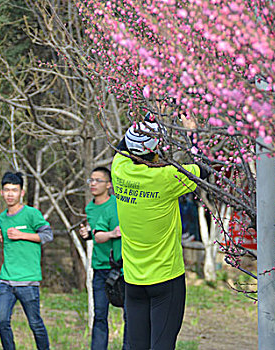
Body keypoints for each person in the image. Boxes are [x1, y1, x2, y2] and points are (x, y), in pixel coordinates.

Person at [111, 117, 208, 350]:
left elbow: (122, 145)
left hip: (133, 281)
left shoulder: (118, 170)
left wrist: (147, 119)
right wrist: (192, 134)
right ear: (156, 151)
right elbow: (203, 168)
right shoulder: (167, 178)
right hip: (166, 280)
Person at [0, 171, 53, 350]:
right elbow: (10, 241)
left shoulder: (32, 213)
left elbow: (48, 235)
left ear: (22, 193)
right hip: (7, 280)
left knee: (35, 324)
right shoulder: (2, 217)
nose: (10, 194)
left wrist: (22, 235)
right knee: (2, 321)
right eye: (7, 190)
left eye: (14, 190)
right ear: (2, 193)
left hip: (28, 281)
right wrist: (0, 236)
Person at [79, 166, 127, 349]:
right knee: (99, 315)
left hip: (120, 268)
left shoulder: (118, 204)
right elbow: (96, 231)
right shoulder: (90, 207)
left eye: (97, 180)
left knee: (128, 314)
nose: (92, 184)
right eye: (90, 180)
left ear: (108, 184)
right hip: (99, 267)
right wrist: (88, 234)